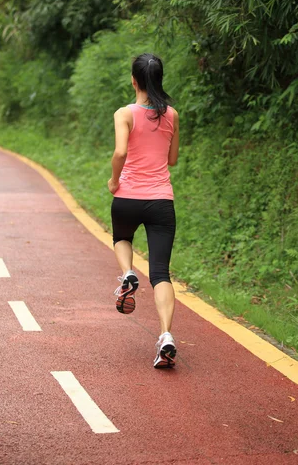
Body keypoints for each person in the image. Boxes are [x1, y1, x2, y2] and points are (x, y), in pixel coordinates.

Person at [107, 53, 179, 368]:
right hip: (162, 201)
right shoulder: (172, 115)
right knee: (161, 273)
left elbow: (121, 150)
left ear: (134, 80)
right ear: (158, 80)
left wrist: (113, 180)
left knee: (122, 237)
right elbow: (172, 159)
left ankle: (127, 274)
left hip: (128, 197)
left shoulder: (124, 113)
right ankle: (165, 336)